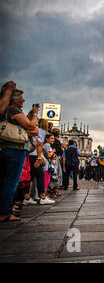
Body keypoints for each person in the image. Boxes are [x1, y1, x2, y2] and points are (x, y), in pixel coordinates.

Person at [0, 89, 39, 222]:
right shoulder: (13, 110)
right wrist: (34, 115)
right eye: (21, 98)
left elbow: (33, 130)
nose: (23, 100)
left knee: (7, 180)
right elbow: (30, 126)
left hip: (6, 148)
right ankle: (5, 211)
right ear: (13, 99)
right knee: (11, 181)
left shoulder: (6, 111)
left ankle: (5, 209)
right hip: (15, 148)